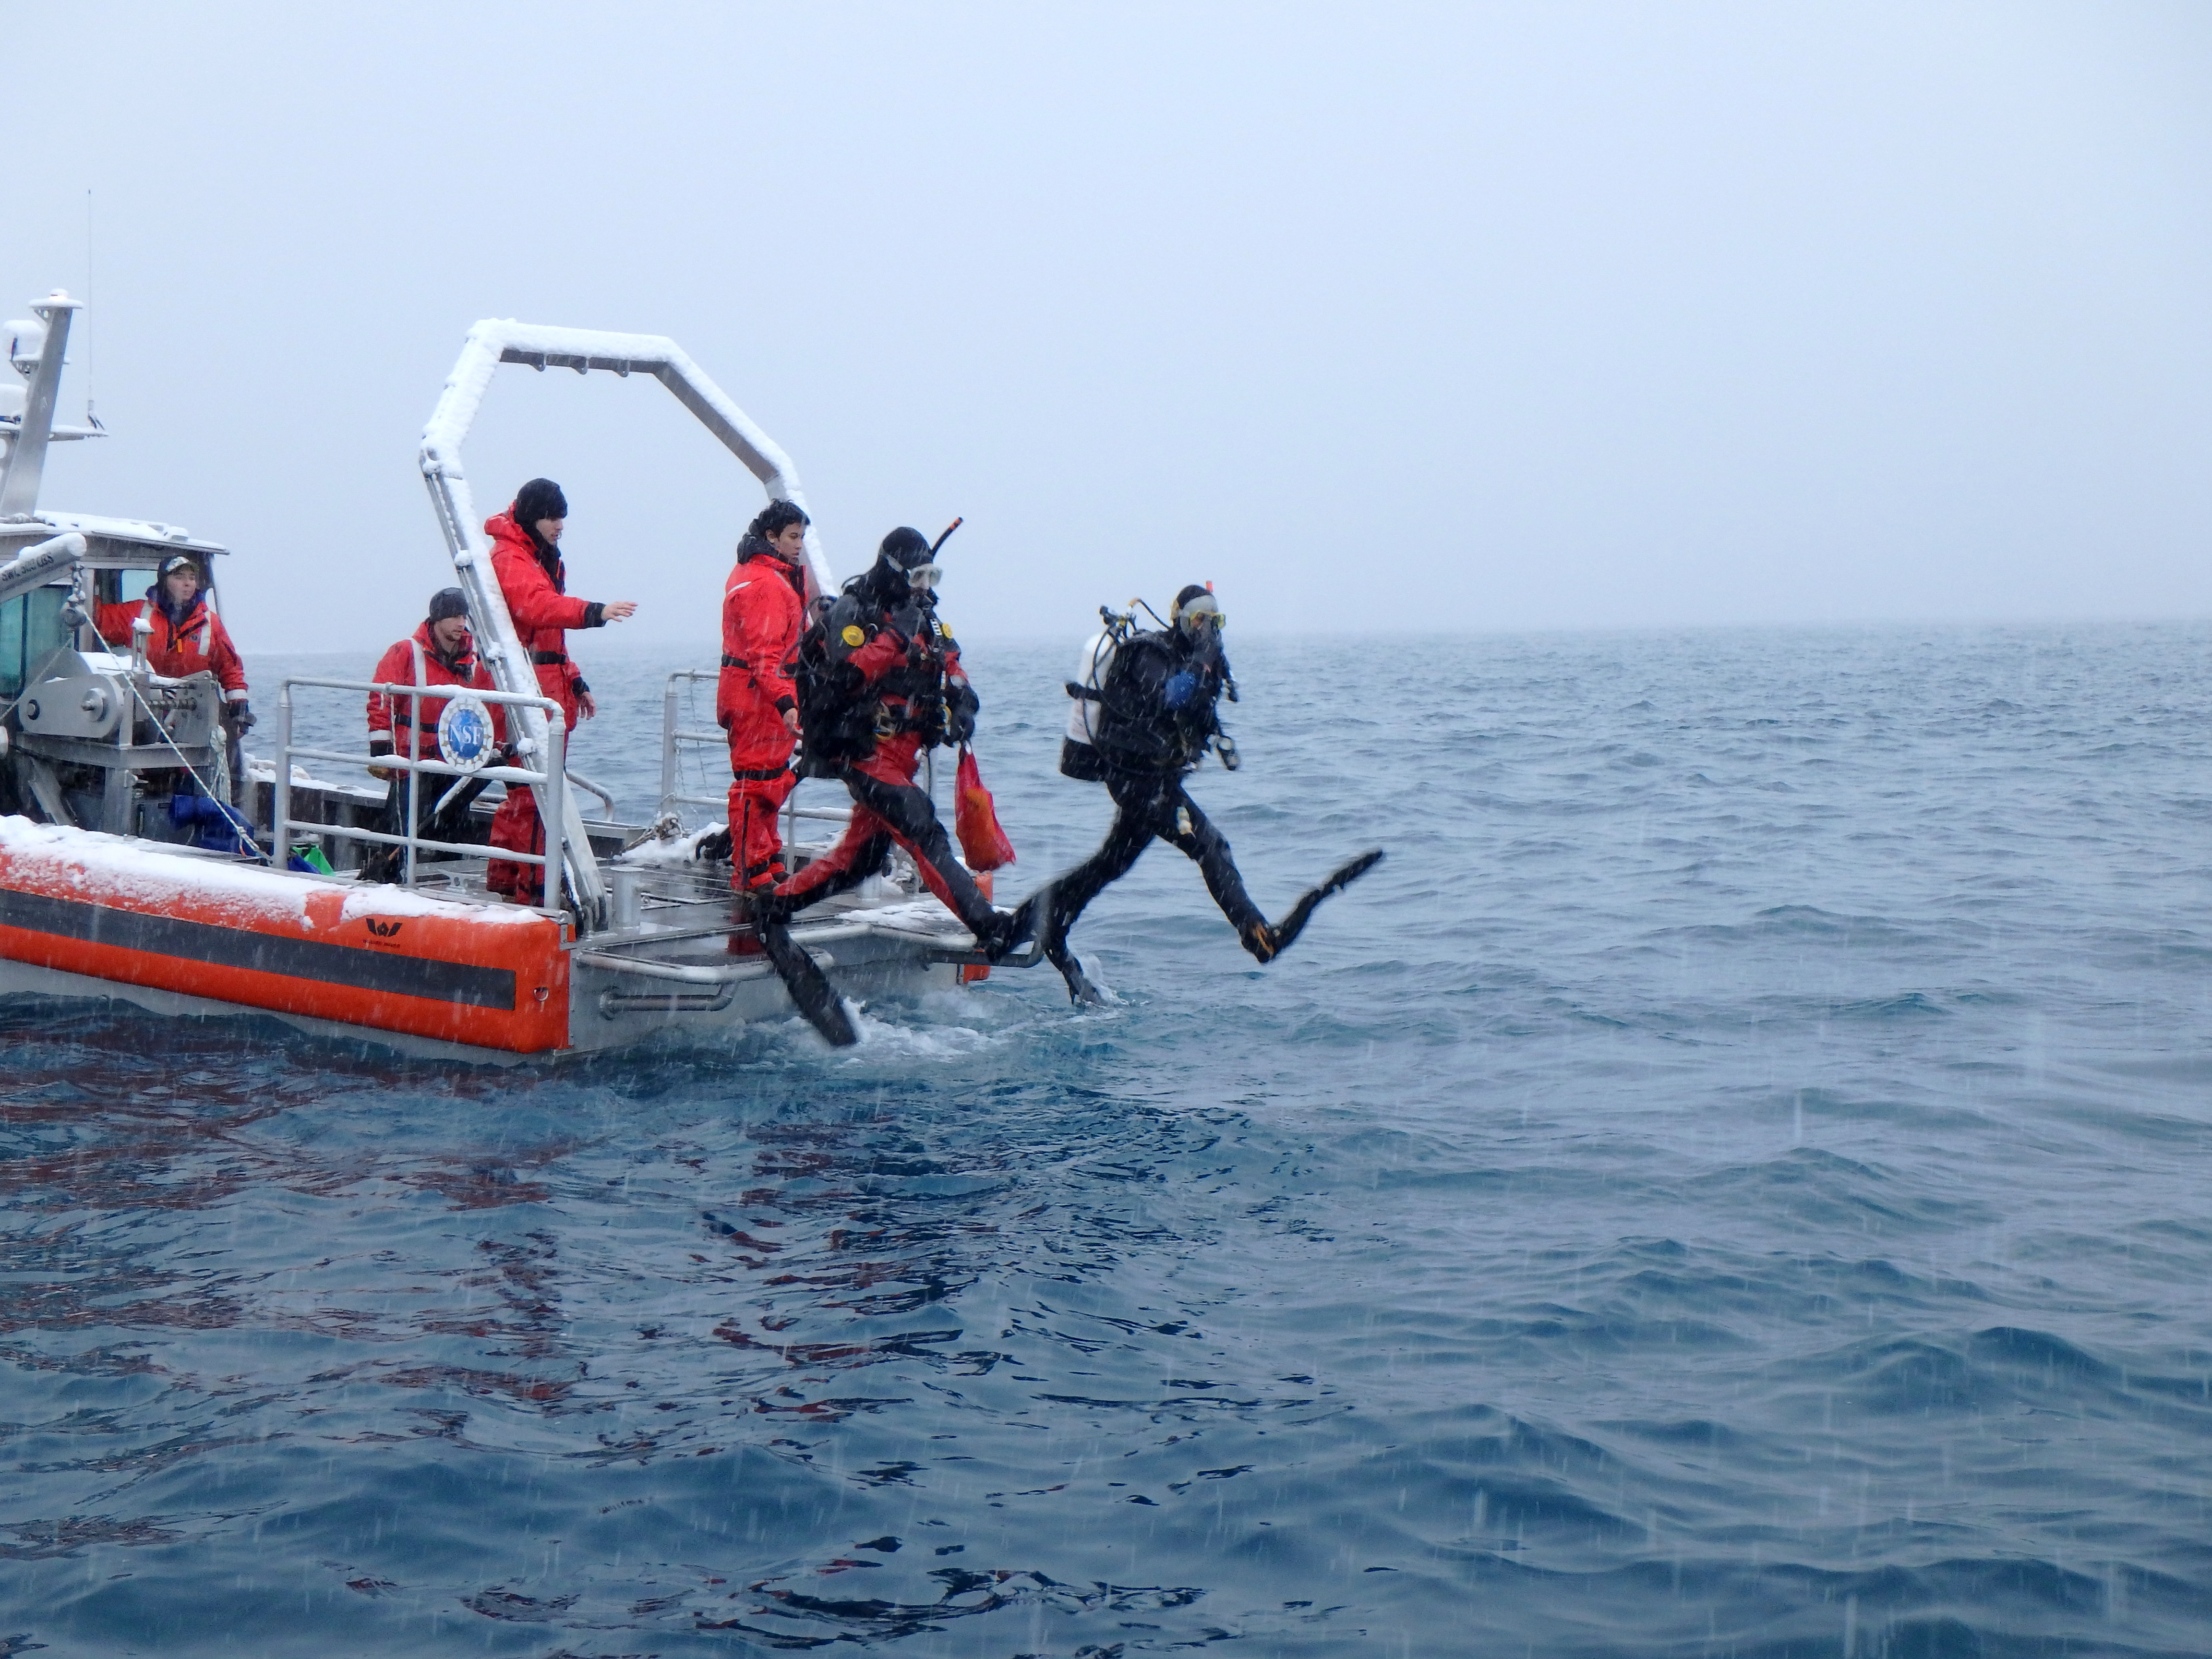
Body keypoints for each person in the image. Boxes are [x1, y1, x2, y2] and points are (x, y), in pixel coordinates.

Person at [1025, 584, 1379, 1003]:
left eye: (1214, 620)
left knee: (1110, 865)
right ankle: (1258, 935)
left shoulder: (1196, 662)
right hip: (1137, 782)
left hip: (1156, 781)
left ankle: (1037, 924)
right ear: (1179, 618)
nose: (1206, 628)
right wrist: (1202, 659)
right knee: (1211, 846)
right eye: (1198, 619)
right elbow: (1172, 697)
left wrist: (1217, 734)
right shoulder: (1150, 655)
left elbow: (1196, 710)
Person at [762, 527, 1015, 958]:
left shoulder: (926, 619)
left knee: (858, 861)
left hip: (905, 754)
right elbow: (846, 679)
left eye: (931, 579)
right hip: (862, 749)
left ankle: (773, 909)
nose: (924, 589)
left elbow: (953, 668)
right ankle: (989, 925)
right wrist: (896, 635)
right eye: (917, 577)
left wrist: (964, 705)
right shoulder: (855, 611)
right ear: (894, 570)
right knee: (923, 829)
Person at [481, 477, 637, 904]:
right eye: (553, 517)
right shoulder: (512, 559)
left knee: (528, 793)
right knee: (533, 795)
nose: (559, 526)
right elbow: (537, 607)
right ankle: (533, 892)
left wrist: (575, 680)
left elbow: (549, 639)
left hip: (542, 686)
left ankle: (510, 880)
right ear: (534, 517)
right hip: (521, 691)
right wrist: (595, 612)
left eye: (561, 518)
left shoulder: (540, 559)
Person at [359, 588, 502, 883]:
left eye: (464, 616)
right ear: (436, 619)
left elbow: (489, 705)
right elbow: (381, 697)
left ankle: (444, 878)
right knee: (402, 825)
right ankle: (388, 877)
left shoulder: (474, 660)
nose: (460, 623)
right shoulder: (406, 652)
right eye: (453, 617)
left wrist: (495, 744)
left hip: (457, 759)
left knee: (452, 820)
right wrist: (381, 745)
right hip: (413, 759)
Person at [94, 552, 252, 791]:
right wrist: (82, 586)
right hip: (145, 714)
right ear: (164, 581)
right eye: (179, 577)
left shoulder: (212, 624)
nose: (188, 583)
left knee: (204, 776)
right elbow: (96, 617)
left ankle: (201, 806)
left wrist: (239, 705)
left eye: (192, 577)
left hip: (195, 714)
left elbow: (230, 668)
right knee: (153, 778)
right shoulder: (137, 614)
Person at [716, 500, 810, 895]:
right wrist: (786, 703)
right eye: (793, 537)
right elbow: (765, 655)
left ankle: (766, 859)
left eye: (802, 537)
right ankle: (751, 870)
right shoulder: (764, 584)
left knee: (771, 779)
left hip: (761, 695)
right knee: (756, 783)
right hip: (759, 699)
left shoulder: (766, 577)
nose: (799, 545)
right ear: (771, 537)